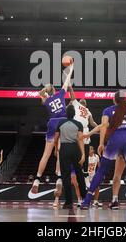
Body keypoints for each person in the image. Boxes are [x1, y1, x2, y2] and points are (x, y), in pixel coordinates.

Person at [31, 63, 74, 196]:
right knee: (60, 153)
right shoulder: (61, 94)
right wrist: (70, 70)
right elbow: (67, 82)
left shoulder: (46, 100)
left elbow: (40, 93)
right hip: (62, 123)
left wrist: (46, 88)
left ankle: (37, 180)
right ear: (55, 91)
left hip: (51, 123)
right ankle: (59, 179)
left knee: (46, 154)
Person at [53, 105, 87, 209]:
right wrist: (83, 154)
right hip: (75, 148)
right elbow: (80, 139)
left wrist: (55, 148)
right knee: (79, 174)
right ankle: (85, 199)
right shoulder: (78, 124)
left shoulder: (60, 123)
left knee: (66, 176)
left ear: (66, 113)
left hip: (64, 149)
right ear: (74, 114)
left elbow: (56, 138)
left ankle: (68, 202)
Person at [68, 86, 98, 174]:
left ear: (85, 104)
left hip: (84, 130)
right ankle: (77, 170)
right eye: (81, 100)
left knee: (84, 151)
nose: (82, 100)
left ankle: (84, 172)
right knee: (79, 150)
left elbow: (92, 123)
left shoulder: (87, 111)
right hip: (78, 129)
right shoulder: (77, 105)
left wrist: (100, 128)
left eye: (83, 101)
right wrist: (70, 88)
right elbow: (72, 96)